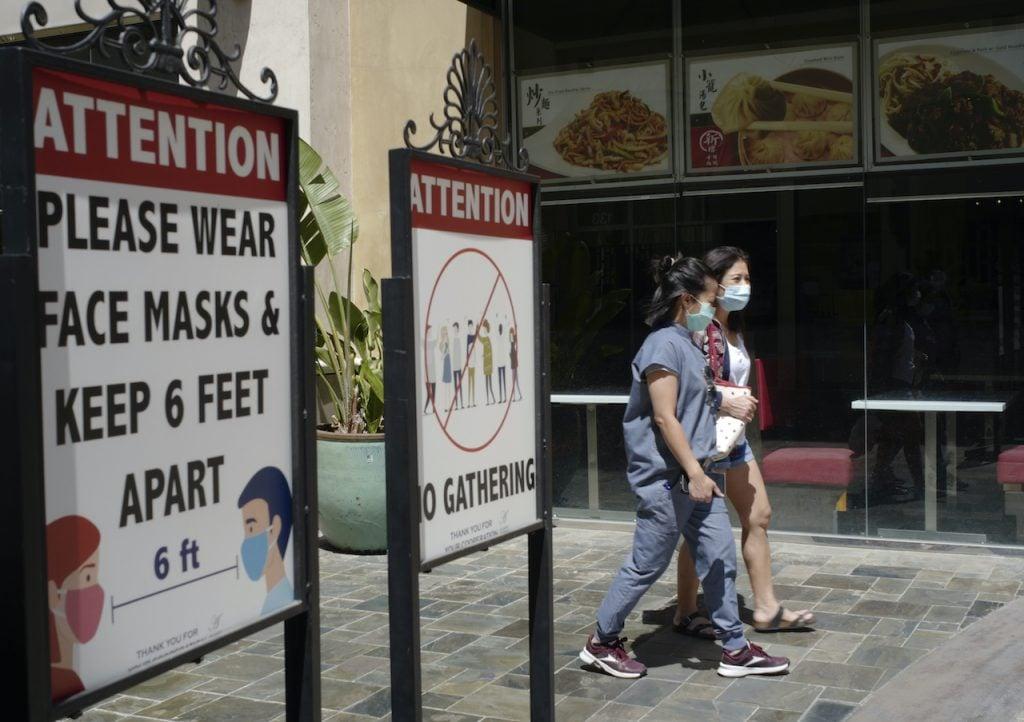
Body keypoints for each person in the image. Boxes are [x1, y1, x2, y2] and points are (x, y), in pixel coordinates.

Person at [581, 255, 789, 680]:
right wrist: (693, 472)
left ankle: (735, 648)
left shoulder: (690, 343)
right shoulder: (662, 346)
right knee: (646, 564)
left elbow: (699, 401)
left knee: (718, 559)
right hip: (669, 480)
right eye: (710, 301)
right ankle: (601, 642)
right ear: (686, 300)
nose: (714, 310)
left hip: (700, 474)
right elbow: (664, 417)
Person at [674, 246, 816, 637]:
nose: (744, 286)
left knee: (759, 516)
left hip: (733, 440)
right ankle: (686, 610)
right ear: (714, 284)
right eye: (737, 279)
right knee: (697, 527)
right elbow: (687, 386)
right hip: (706, 442)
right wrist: (725, 399)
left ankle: (767, 608)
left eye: (747, 278)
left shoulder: (733, 329)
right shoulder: (699, 329)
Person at [47, 515, 104, 702]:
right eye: (87, 577)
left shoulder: (66, 678)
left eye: (95, 577)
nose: (96, 590)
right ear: (53, 593)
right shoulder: (61, 681)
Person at [238, 466, 294, 615]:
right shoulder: (272, 601)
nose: (247, 541)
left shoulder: (276, 600)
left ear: (275, 527)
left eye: (251, 528)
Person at [480, 320, 496, 405]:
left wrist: (485, 355)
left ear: (487, 329)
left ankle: (492, 399)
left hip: (488, 365)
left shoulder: (488, 339)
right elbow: (479, 338)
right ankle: (488, 400)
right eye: (483, 329)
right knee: (487, 383)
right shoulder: (485, 339)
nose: (483, 330)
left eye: (484, 329)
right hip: (486, 364)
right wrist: (477, 328)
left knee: (489, 383)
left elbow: (490, 353)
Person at [423, 323, 437, 415]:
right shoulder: (425, 343)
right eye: (429, 331)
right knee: (429, 393)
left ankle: (433, 409)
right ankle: (425, 409)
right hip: (427, 372)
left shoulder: (431, 343)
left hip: (432, 371)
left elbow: (436, 340)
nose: (430, 333)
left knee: (434, 391)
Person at [451, 322, 464, 410]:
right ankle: (456, 404)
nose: (454, 330)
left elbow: (460, 353)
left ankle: (462, 403)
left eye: (455, 328)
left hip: (459, 365)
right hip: (454, 365)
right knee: (455, 385)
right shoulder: (453, 339)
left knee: (460, 385)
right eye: (453, 329)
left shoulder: (459, 338)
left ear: (458, 329)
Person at [466, 319, 478, 407]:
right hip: (469, 362)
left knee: (473, 381)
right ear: (468, 327)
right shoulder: (468, 336)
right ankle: (469, 401)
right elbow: (467, 350)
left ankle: (473, 401)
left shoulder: (473, 336)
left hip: (473, 361)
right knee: (469, 381)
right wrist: (467, 361)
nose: (471, 327)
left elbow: (476, 335)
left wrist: (477, 324)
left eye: (472, 326)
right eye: (469, 326)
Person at [510, 326, 522, 402]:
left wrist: (514, 332)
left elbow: (513, 338)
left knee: (515, 380)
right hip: (513, 363)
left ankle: (515, 396)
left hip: (514, 363)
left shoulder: (512, 344)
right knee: (515, 380)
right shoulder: (513, 345)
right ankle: (517, 396)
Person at [497, 323, 508, 403]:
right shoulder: (499, 338)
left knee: (502, 381)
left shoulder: (502, 338)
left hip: (502, 362)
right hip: (499, 362)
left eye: (500, 328)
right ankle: (501, 398)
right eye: (500, 328)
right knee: (501, 381)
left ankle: (504, 397)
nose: (500, 330)